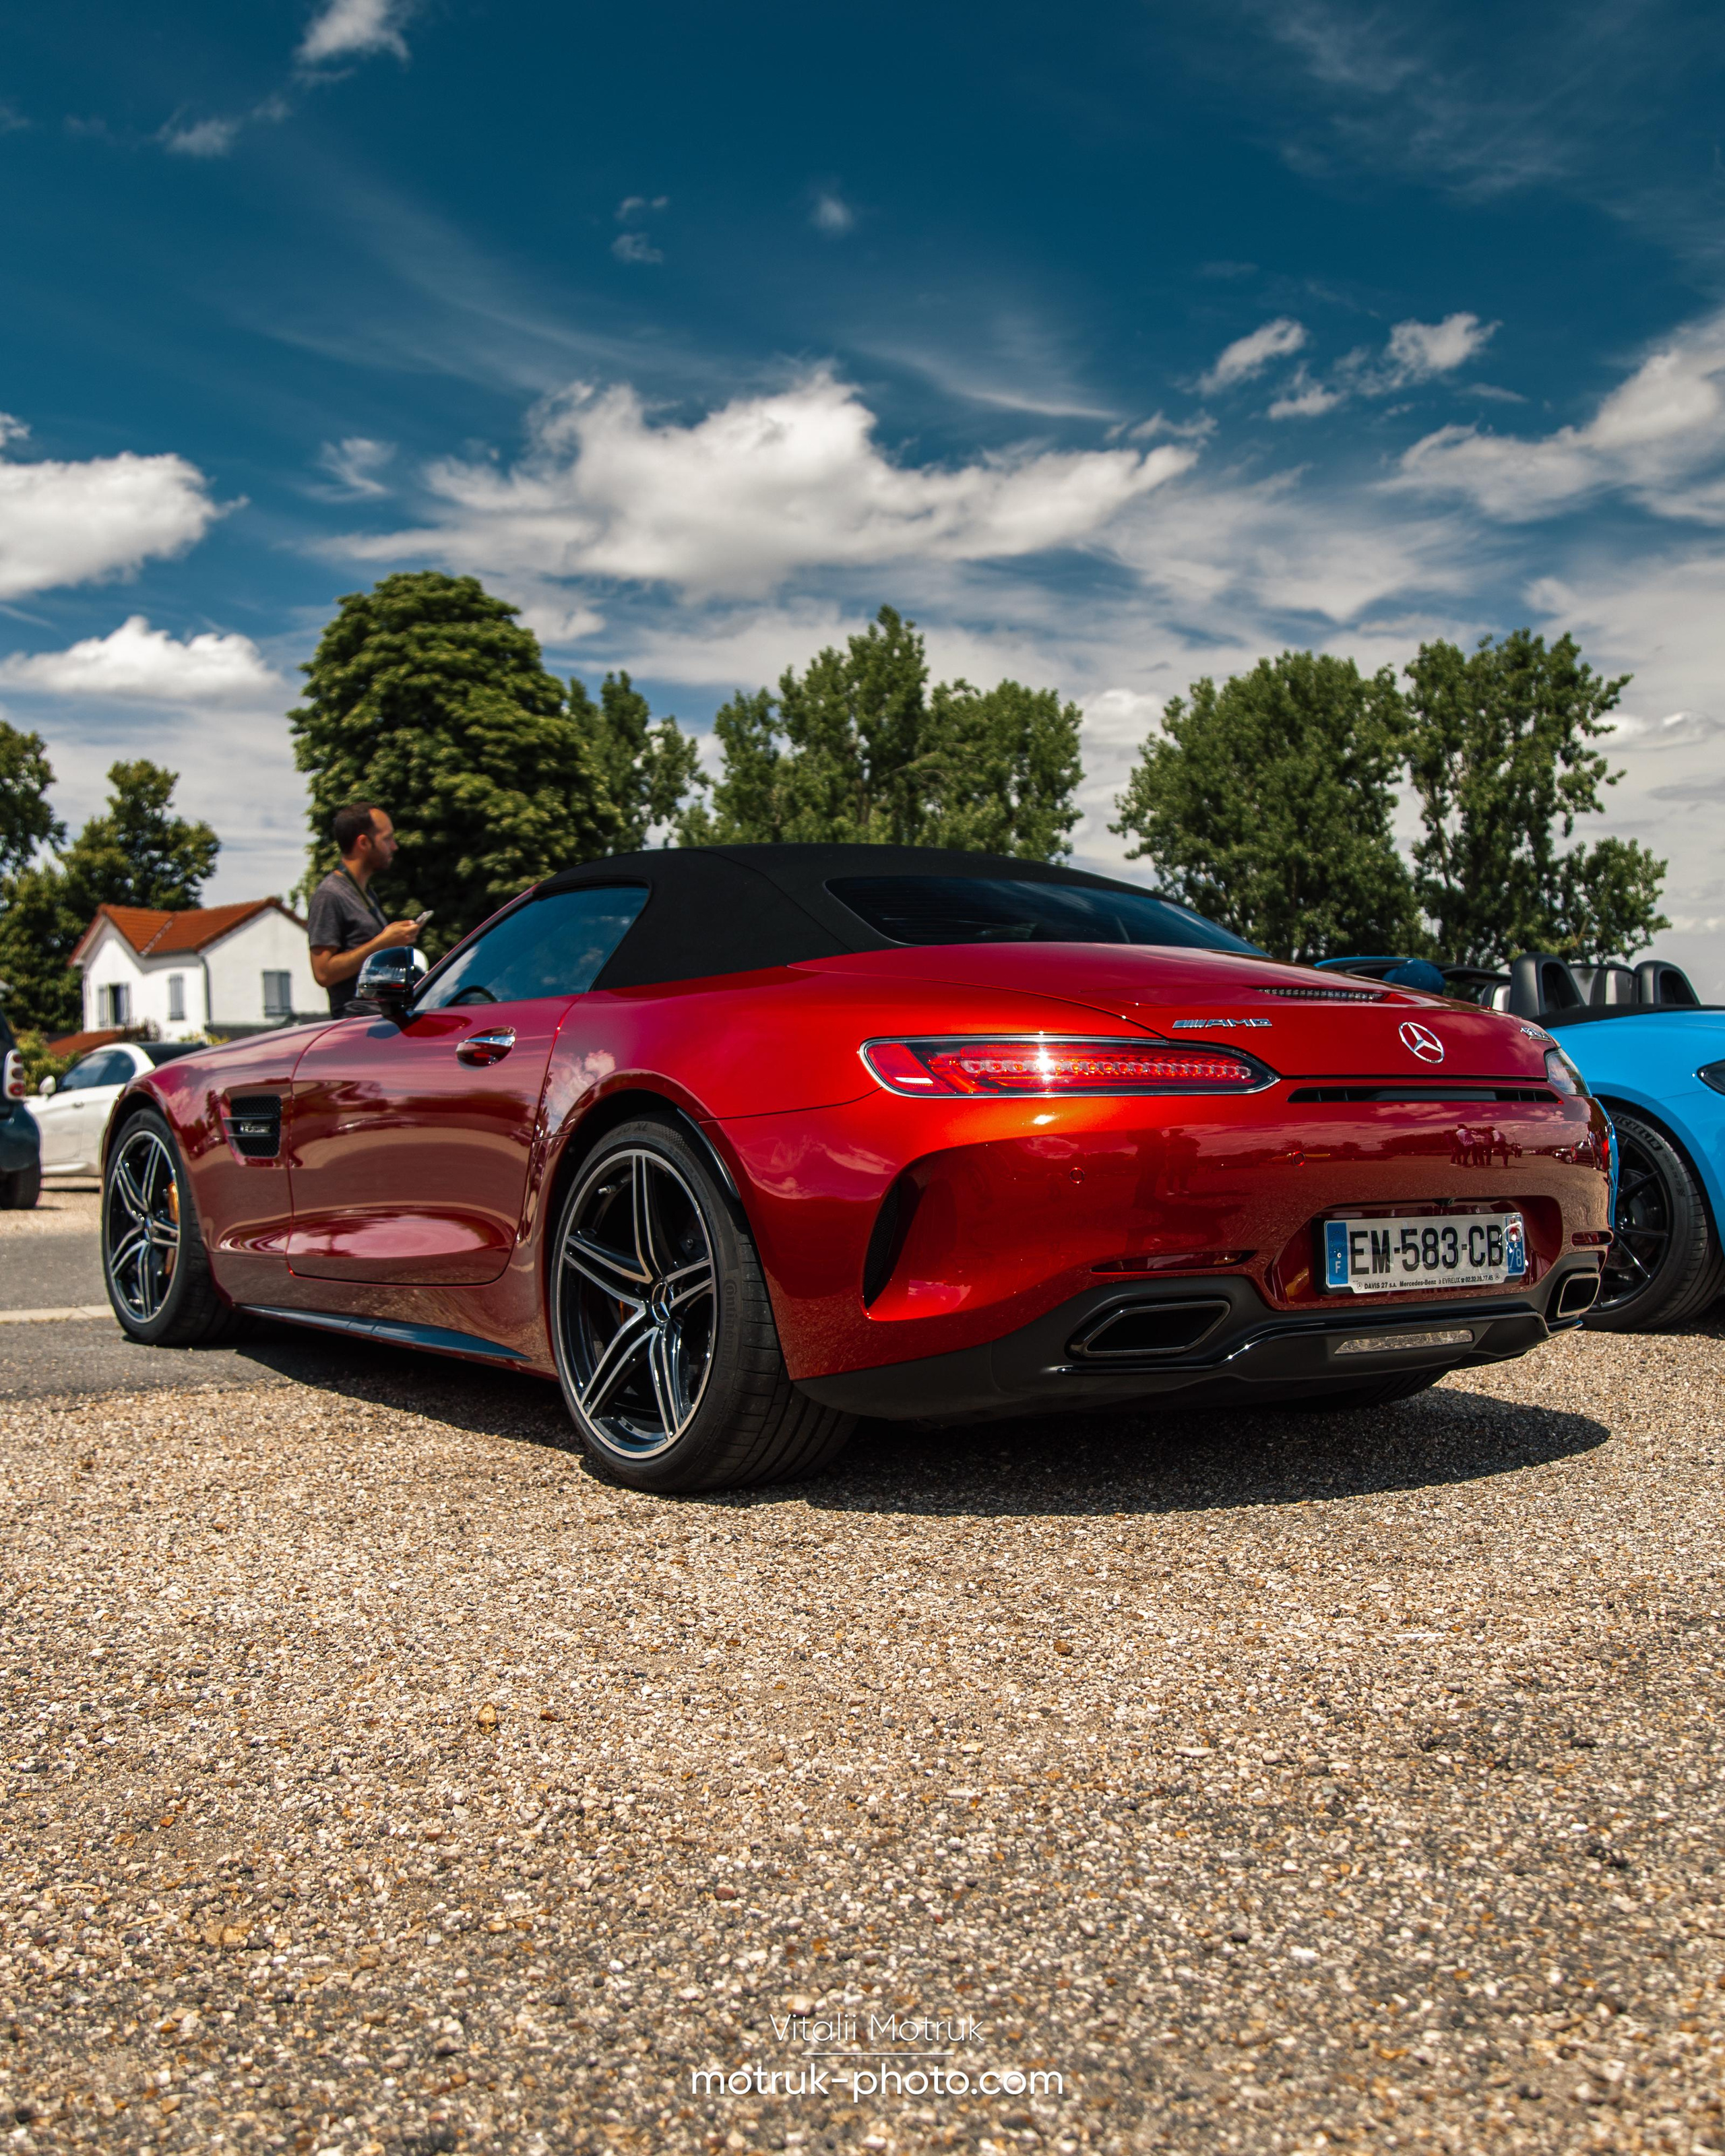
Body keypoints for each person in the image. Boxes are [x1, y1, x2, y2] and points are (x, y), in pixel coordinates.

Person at [306, 802, 422, 1016]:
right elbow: (323, 973)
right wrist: (383, 942)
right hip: (357, 1022)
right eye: (387, 839)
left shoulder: (366, 894)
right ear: (364, 843)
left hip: (380, 1018)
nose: (394, 846)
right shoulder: (329, 895)